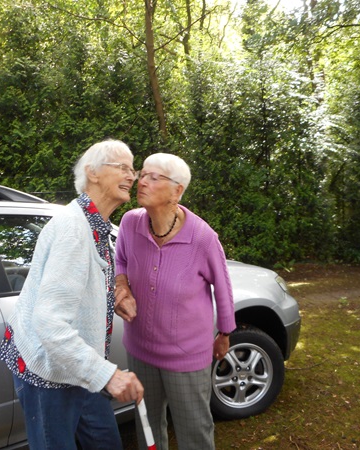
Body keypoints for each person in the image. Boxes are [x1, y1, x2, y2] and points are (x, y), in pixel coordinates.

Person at [0, 139, 144, 450]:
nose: (132, 176)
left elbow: (80, 282)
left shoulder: (97, 225)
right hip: (48, 371)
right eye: (122, 167)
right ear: (92, 172)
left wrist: (110, 295)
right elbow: (49, 323)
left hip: (79, 368)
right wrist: (109, 376)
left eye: (133, 169)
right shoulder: (73, 229)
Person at [114, 153, 236, 450]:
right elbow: (120, 261)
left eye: (154, 178)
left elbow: (223, 286)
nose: (141, 181)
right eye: (143, 174)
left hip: (185, 356)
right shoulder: (130, 223)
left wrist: (224, 333)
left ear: (177, 191)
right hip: (140, 349)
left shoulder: (202, 237)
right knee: (147, 426)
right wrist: (122, 288)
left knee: (193, 429)